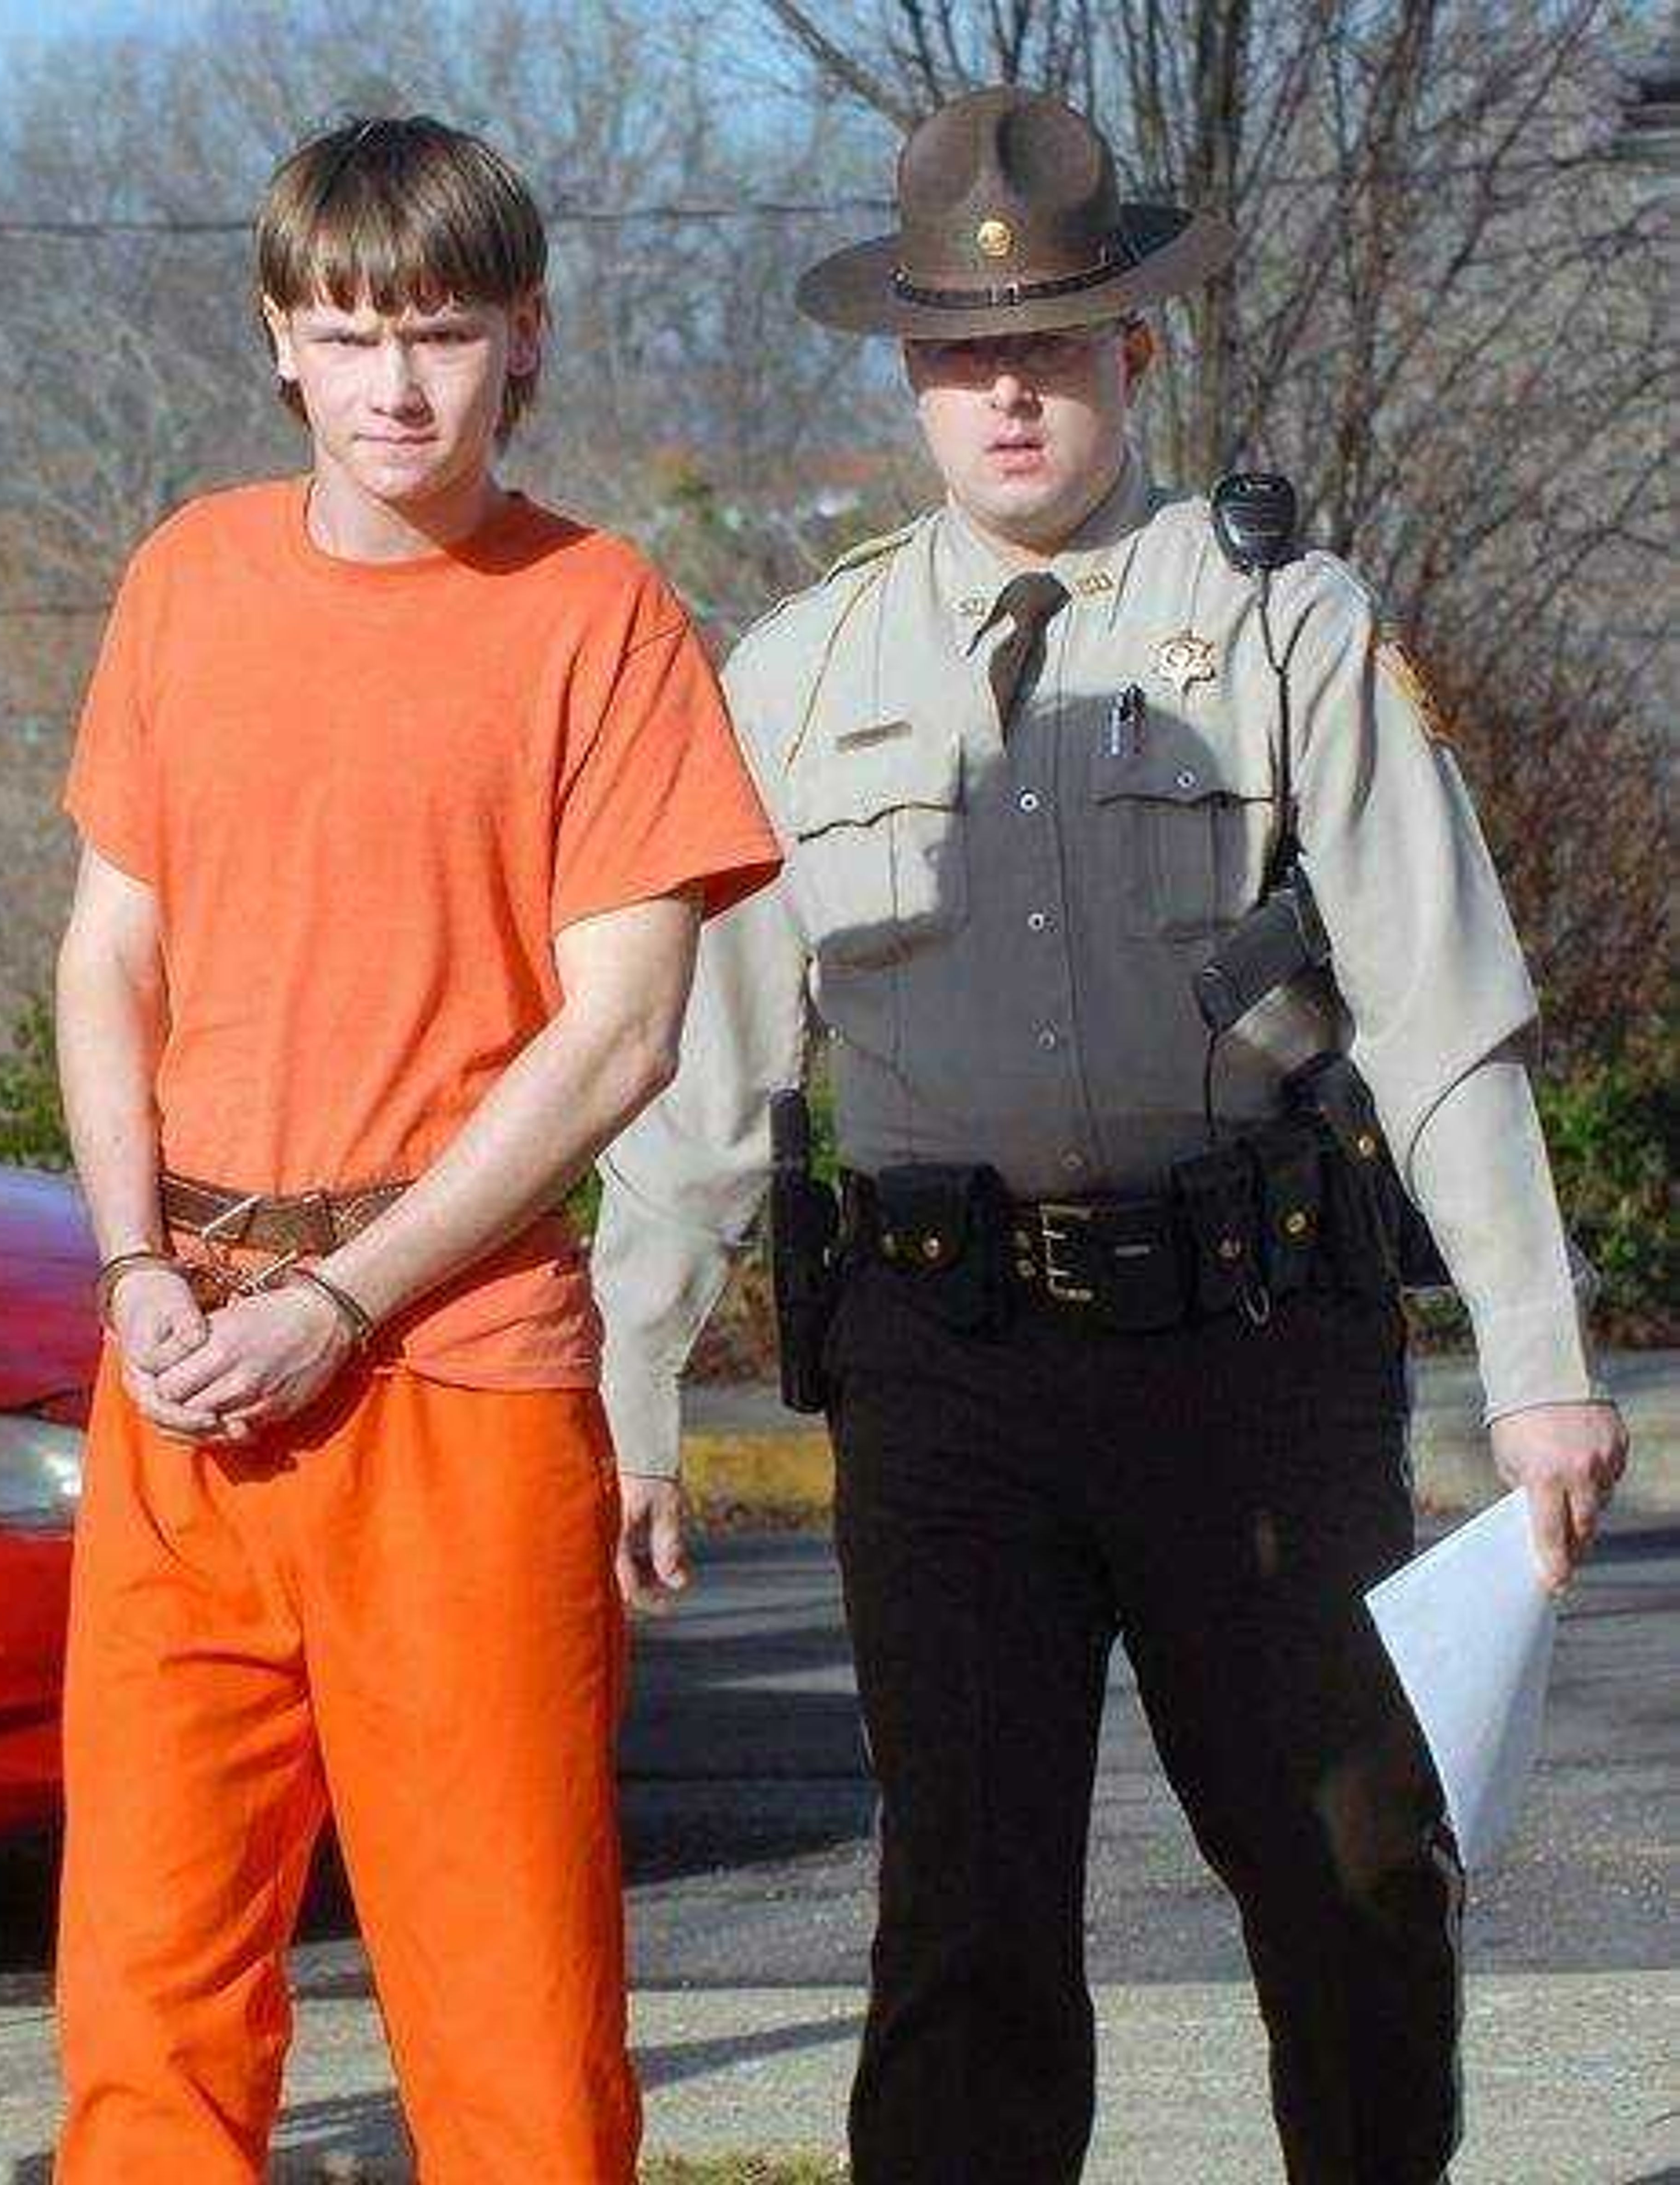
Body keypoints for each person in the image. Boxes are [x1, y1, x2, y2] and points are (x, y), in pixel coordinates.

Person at [592, 86, 1629, 2185]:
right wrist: (629, 1396)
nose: (1006, 398)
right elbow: (701, 1089)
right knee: (963, 1926)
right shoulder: (792, 680)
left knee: (1351, 1871)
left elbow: (1441, 1009)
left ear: (1127, 355)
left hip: (1249, 1349)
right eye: (965, 359)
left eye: (1049, 350)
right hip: (944, 1370)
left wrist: (1540, 1362)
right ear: (909, 375)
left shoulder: (1289, 626)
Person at [51, 113, 780, 2182]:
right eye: (351, 332)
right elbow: (110, 959)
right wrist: (130, 1272)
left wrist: (346, 1297)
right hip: (182, 1367)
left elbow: (622, 1029)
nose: (396, 384)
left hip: (455, 1362)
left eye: (444, 334)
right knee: (146, 2008)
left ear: (523, 337)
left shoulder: (600, 615)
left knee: (514, 2029)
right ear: (282, 338)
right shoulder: (184, 581)